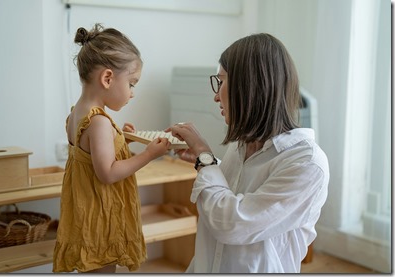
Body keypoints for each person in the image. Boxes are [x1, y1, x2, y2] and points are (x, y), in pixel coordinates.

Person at [166, 33, 329, 273]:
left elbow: (232, 223)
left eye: (221, 82)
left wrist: (206, 158)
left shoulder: (307, 164)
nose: (215, 95)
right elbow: (246, 190)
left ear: (249, 87)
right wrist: (211, 164)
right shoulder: (241, 144)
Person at [53, 23, 170, 273]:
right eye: (132, 84)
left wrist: (121, 141)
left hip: (85, 213)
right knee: (103, 269)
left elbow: (91, 154)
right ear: (107, 78)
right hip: (100, 215)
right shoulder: (99, 121)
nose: (132, 93)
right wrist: (150, 154)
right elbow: (107, 173)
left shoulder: (78, 114)